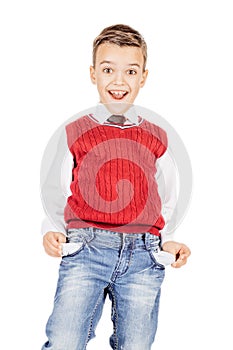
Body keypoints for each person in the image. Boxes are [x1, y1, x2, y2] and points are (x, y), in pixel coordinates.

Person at [41, 24, 191, 350]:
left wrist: (168, 240)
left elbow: (167, 196)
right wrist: (53, 229)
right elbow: (55, 186)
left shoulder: (157, 136)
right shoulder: (76, 131)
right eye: (108, 70)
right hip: (86, 249)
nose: (119, 81)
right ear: (93, 74)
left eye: (130, 71)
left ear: (143, 77)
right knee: (65, 340)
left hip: (143, 256)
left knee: (135, 344)